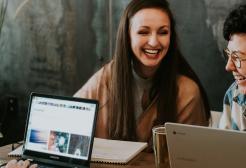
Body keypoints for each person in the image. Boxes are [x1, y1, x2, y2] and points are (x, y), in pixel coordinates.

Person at [74, 0, 210, 146]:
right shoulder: (104, 79)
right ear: (127, 36)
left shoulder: (187, 92)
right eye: (143, 32)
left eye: (163, 32)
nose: (153, 42)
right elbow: (68, 125)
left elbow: (189, 158)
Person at [219, 4, 246, 130]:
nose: (228, 67)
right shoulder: (233, 95)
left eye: (238, 57)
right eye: (229, 55)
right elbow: (222, 147)